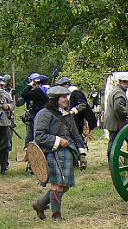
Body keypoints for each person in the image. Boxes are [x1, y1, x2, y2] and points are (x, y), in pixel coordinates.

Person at [31, 86, 88, 221]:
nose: (66, 100)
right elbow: (39, 136)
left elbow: (76, 135)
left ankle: (40, 204)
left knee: (65, 185)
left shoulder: (66, 115)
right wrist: (58, 140)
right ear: (55, 99)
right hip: (52, 152)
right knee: (57, 184)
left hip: (68, 153)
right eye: (63, 97)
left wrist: (82, 154)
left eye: (66, 97)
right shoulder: (44, 114)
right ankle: (56, 215)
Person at [103, 73, 128, 157]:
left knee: (113, 141)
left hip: (113, 121)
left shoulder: (116, 90)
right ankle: (112, 159)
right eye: (125, 83)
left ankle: (112, 158)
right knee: (114, 142)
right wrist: (127, 113)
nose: (127, 85)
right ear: (121, 82)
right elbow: (118, 107)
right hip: (116, 122)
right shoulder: (119, 92)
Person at [17, 73, 48, 148]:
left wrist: (30, 85)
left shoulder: (38, 90)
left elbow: (24, 94)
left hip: (38, 116)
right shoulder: (48, 90)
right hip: (45, 115)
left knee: (33, 135)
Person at [0, 74, 14, 175]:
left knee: (5, 146)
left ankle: (4, 166)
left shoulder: (6, 94)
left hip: (4, 122)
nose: (0, 86)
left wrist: (8, 106)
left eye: (1, 84)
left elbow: (12, 104)